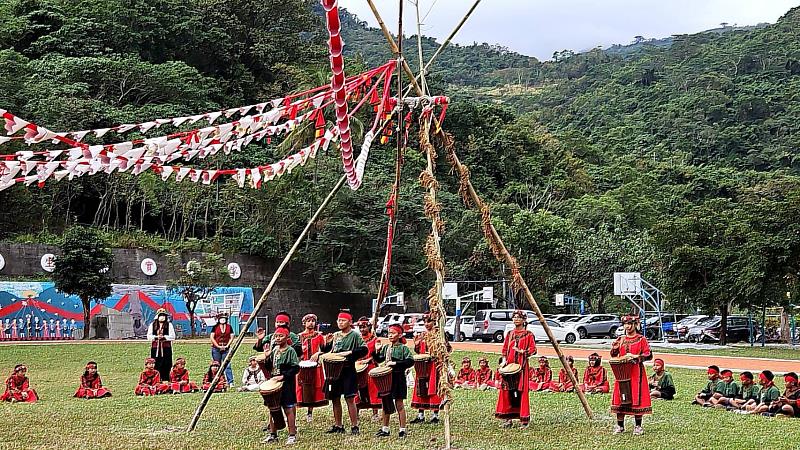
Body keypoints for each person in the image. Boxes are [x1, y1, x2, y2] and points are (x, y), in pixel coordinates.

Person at [319, 310, 368, 435]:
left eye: (343, 320)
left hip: (347, 370)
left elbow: (364, 350)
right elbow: (329, 351)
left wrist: (350, 352)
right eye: (338, 320)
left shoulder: (355, 335)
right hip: (334, 371)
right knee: (334, 398)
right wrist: (327, 344)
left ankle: (354, 426)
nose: (340, 322)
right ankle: (338, 425)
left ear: (350, 322)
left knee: (350, 398)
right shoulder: (335, 335)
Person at [610, 315, 652, 436]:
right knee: (620, 396)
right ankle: (620, 426)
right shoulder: (621, 339)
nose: (627, 327)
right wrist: (614, 348)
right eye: (625, 324)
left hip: (636, 372)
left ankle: (638, 426)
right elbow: (614, 354)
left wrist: (636, 357)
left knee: (636, 396)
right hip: (622, 372)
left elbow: (648, 355)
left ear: (635, 325)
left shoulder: (641, 339)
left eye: (629, 324)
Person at [373, 324, 414, 438]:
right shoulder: (386, 347)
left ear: (400, 335)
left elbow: (410, 361)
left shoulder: (403, 348)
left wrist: (395, 363)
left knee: (399, 404)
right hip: (387, 379)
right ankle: (385, 429)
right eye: (389, 333)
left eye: (393, 333)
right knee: (386, 404)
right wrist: (376, 351)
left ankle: (402, 429)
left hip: (398, 378)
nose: (390, 335)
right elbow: (379, 359)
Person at [496, 310, 536, 428]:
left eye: (518, 317)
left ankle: (524, 420)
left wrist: (523, 352)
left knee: (521, 392)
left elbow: (533, 350)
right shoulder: (510, 334)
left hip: (522, 367)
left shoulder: (528, 334)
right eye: (514, 317)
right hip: (509, 366)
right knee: (506, 391)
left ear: (524, 320)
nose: (516, 319)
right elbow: (504, 350)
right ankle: (507, 419)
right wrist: (503, 362)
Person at [262, 326, 300, 445]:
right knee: (273, 409)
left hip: (286, 384)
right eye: (276, 336)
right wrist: (267, 356)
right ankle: (273, 435)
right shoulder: (274, 350)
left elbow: (295, 368)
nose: (278, 338)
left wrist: (283, 376)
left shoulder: (290, 351)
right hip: (275, 383)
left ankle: (292, 435)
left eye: (280, 336)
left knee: (288, 409)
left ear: (287, 337)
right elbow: (269, 367)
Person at [410, 314, 449, 424]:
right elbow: (419, 351)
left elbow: (448, 349)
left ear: (435, 322)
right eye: (425, 322)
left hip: (434, 366)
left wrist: (440, 351)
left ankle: (434, 415)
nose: (427, 324)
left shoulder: (440, 335)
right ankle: (420, 415)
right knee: (421, 389)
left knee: (434, 389)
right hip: (423, 366)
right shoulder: (423, 335)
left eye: (429, 321)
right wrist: (416, 344)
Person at [296, 313, 328, 421]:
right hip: (302, 366)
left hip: (316, 366)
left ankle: (310, 412)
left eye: (313, 321)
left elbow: (324, 349)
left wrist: (318, 353)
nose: (311, 323)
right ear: (304, 323)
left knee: (314, 388)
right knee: (301, 387)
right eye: (308, 321)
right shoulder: (299, 336)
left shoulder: (319, 336)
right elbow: (296, 351)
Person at [356, 316, 381, 421]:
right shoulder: (356, 339)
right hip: (358, 366)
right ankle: (356, 412)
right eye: (360, 327)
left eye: (364, 327)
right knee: (357, 389)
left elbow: (377, 356)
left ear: (369, 327)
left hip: (371, 366)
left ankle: (375, 413)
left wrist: (369, 359)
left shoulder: (375, 339)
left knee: (373, 389)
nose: (362, 329)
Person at [147, 308, 175, 382]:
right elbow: (149, 336)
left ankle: (166, 379)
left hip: (166, 348)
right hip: (155, 348)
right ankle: (156, 379)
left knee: (167, 363)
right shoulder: (152, 325)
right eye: (161, 315)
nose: (162, 317)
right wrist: (156, 337)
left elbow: (173, 336)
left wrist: (164, 337)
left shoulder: (169, 325)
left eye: (164, 315)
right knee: (156, 363)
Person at [210, 312, 235, 387]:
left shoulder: (229, 327)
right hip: (216, 349)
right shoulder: (215, 327)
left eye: (224, 318)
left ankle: (230, 381)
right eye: (221, 318)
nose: (222, 320)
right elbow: (212, 337)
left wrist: (227, 345)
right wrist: (217, 346)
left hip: (226, 348)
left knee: (227, 365)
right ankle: (219, 380)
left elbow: (232, 337)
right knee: (217, 365)